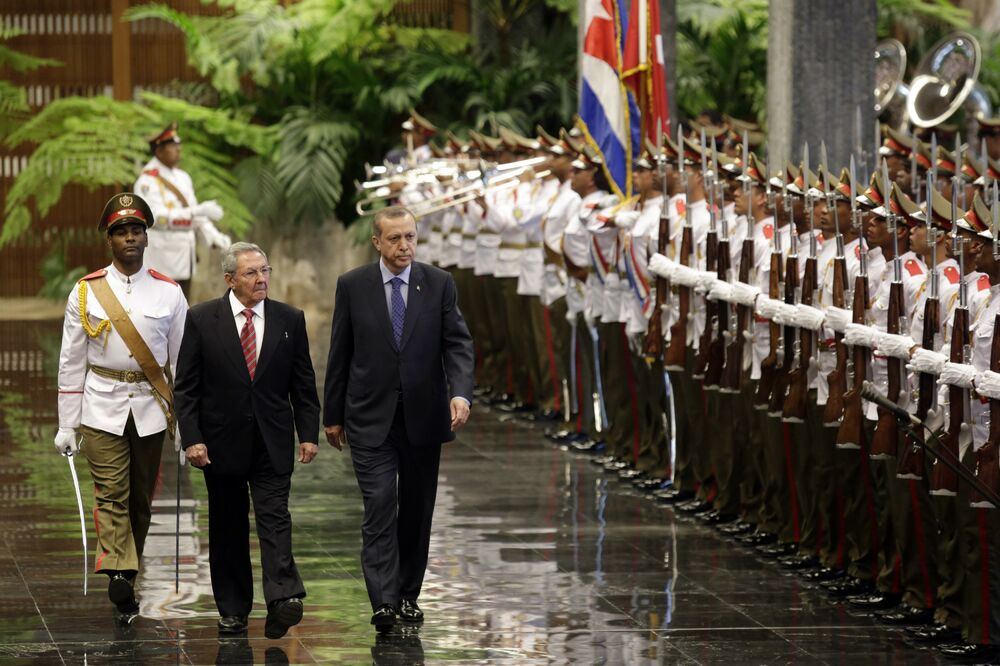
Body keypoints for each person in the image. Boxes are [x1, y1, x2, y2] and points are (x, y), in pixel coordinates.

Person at [323, 206, 474, 633]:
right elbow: (341, 352)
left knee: (417, 510)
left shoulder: (439, 283)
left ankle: (408, 594)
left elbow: (458, 344)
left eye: (410, 236)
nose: (404, 245)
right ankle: (383, 602)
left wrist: (460, 393)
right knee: (379, 505)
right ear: (377, 242)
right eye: (395, 238)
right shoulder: (353, 286)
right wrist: (332, 415)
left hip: (424, 417)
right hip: (370, 417)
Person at [173, 242, 320, 639]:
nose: (261, 279)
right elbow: (186, 388)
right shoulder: (203, 319)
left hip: (273, 440)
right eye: (252, 273)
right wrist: (193, 438)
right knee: (228, 526)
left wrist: (308, 433)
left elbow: (303, 384)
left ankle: (283, 598)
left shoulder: (290, 318)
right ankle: (234, 610)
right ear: (230, 279)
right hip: (220, 444)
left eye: (265, 270)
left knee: (275, 519)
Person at [55, 192, 188, 624]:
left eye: (136, 230)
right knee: (111, 493)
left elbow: (183, 363)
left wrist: (188, 423)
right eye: (120, 232)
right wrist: (66, 425)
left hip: (150, 409)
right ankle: (119, 571)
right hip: (101, 405)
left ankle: (125, 578)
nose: (129, 238)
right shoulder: (86, 292)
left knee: (140, 502)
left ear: (146, 238)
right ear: (109, 241)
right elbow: (71, 361)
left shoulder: (169, 294)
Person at [134, 122, 231, 296]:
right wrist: (195, 212)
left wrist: (212, 234)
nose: (178, 150)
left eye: (178, 145)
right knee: (161, 311)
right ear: (159, 151)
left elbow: (194, 211)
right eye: (172, 146)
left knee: (183, 309)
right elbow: (156, 218)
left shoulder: (182, 177)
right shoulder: (147, 182)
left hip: (185, 257)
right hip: (162, 259)